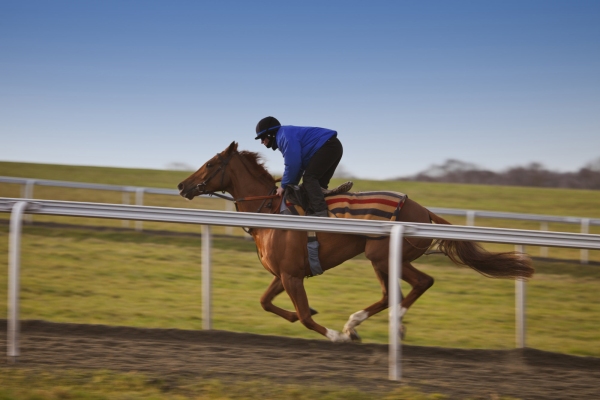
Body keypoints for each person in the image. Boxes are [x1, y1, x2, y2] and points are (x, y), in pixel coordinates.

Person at [255, 116, 343, 217]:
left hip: (328, 147)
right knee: (317, 186)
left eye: (262, 138)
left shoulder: (283, 137)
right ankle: (322, 210)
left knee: (309, 178)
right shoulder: (284, 134)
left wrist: (283, 186)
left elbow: (293, 164)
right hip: (333, 146)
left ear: (270, 134)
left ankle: (320, 213)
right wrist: (291, 185)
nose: (262, 142)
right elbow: (298, 167)